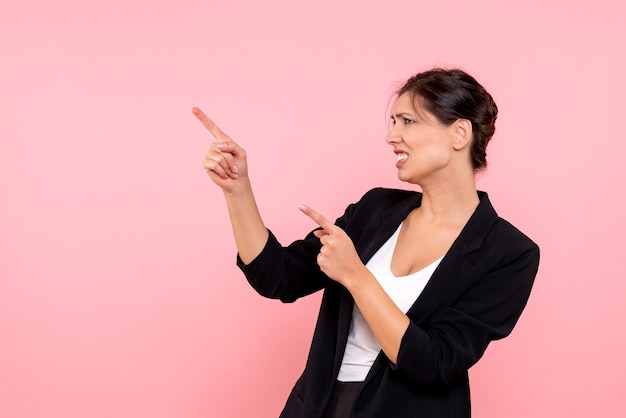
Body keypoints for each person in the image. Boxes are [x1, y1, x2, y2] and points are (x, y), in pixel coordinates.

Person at [193, 68, 539, 418]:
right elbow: (278, 277)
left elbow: (434, 362)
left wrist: (356, 276)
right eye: (393, 122)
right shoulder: (375, 210)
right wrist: (238, 190)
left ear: (459, 133)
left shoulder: (510, 253)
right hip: (320, 406)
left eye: (407, 122)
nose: (392, 137)